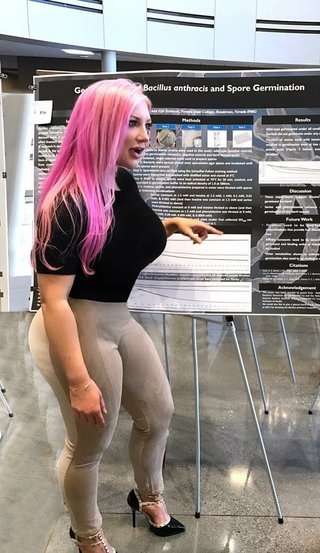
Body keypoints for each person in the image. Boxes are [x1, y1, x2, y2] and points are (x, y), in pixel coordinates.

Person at [28, 78, 223, 553]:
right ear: (100, 126)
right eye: (131, 123)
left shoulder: (120, 180)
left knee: (158, 413)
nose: (145, 136)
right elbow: (54, 300)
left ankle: (148, 496)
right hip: (75, 323)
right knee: (89, 444)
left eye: (147, 124)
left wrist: (170, 225)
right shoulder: (65, 203)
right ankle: (88, 534)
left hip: (116, 316)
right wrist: (79, 381)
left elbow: (119, 231)